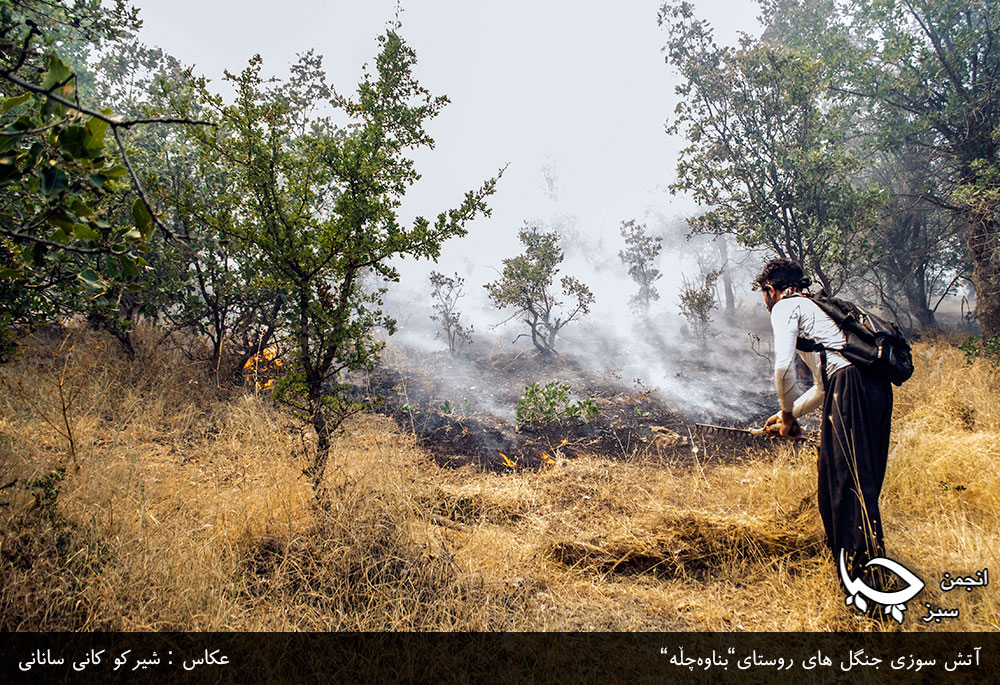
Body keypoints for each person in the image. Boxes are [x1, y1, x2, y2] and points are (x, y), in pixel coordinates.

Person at [753, 258, 894, 586]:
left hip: (851, 385)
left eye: (763, 293)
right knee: (855, 480)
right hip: (874, 387)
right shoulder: (819, 309)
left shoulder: (785, 306)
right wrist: (787, 414)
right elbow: (821, 386)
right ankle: (860, 570)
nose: (764, 300)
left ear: (770, 290)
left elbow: (782, 367)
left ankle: (866, 582)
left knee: (845, 483)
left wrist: (787, 416)